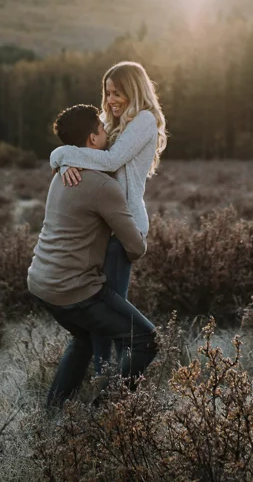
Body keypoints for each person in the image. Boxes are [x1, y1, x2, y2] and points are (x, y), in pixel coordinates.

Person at [28, 104, 158, 408]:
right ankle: (106, 412)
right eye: (102, 128)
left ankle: (52, 411)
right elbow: (136, 248)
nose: (106, 133)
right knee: (146, 341)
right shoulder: (102, 185)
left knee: (85, 338)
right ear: (92, 139)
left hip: (40, 282)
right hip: (74, 289)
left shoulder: (62, 175)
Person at [49, 61, 167, 373]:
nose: (111, 100)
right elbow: (85, 143)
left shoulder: (143, 120)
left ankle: (115, 388)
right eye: (108, 93)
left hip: (123, 226)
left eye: (118, 93)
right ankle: (106, 377)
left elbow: (110, 158)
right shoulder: (114, 121)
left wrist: (61, 156)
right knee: (100, 310)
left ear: (134, 90)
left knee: (112, 310)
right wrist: (63, 162)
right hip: (100, 228)